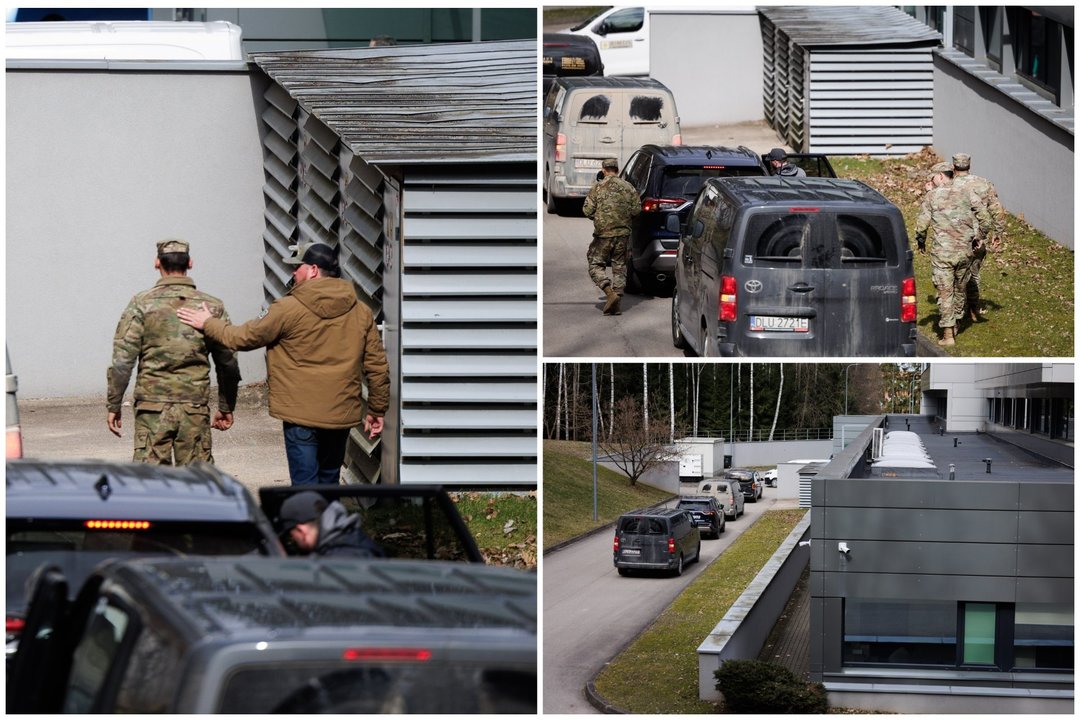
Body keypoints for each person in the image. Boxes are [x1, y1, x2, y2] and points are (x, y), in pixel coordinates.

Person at [177, 242, 389, 485]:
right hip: (340, 414)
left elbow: (241, 338)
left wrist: (208, 323)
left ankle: (305, 522)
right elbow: (377, 365)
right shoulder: (361, 311)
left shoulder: (287, 308)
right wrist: (376, 409)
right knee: (329, 482)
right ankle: (326, 522)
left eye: (297, 267)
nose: (293, 272)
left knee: (304, 487)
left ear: (312, 270)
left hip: (300, 416)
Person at [107, 239, 240, 465]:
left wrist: (114, 404)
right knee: (196, 483)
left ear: (157, 263)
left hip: (152, 408)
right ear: (190, 263)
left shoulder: (141, 304)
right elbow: (227, 362)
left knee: (151, 485)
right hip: (194, 407)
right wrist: (226, 406)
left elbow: (122, 361)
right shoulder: (212, 306)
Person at [913, 165, 992, 346]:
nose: (930, 181)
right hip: (965, 252)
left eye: (932, 177)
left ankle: (948, 334)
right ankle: (957, 320)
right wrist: (979, 237)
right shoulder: (967, 192)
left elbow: (921, 226)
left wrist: (921, 242)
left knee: (945, 291)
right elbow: (985, 219)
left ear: (940, 176)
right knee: (959, 288)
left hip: (942, 253)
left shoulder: (932, 196)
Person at [949, 153, 1006, 322]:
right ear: (969, 166)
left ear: (954, 166)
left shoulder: (949, 185)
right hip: (978, 236)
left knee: (954, 274)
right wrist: (998, 233)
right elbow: (997, 211)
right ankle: (973, 309)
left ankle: (954, 311)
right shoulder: (984, 184)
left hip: (955, 236)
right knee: (973, 273)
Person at [582, 157, 640, 315]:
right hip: (623, 234)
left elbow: (587, 210)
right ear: (617, 169)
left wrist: (598, 217)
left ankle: (610, 293)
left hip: (603, 235)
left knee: (594, 263)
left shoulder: (598, 187)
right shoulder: (628, 187)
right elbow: (636, 210)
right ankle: (617, 303)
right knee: (619, 266)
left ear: (603, 170)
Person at [278, 490, 384, 557]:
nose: (294, 543)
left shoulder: (332, 563)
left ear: (302, 531)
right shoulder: (355, 537)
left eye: (292, 538)